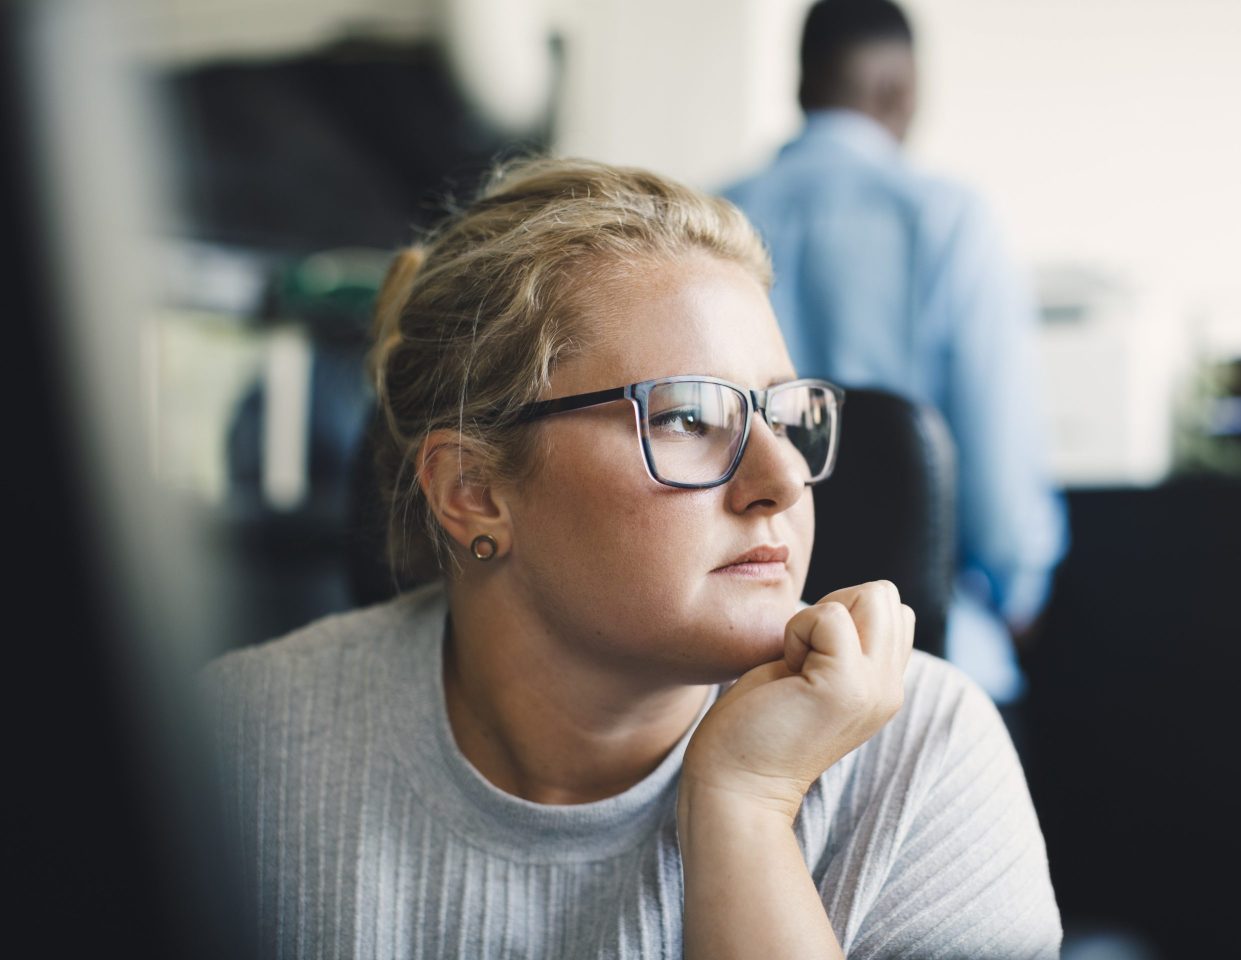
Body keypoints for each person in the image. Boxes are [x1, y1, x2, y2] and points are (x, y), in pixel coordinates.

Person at [200, 157, 1061, 958]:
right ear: (471, 490)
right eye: (687, 416)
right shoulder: (231, 753)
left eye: (785, 417)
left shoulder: (922, 758)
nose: (784, 478)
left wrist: (745, 807)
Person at [724, 0, 1068, 709]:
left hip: (752, 658)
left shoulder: (709, 218)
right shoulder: (948, 218)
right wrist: (1018, 587)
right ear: (900, 92)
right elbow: (996, 450)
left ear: (801, 86)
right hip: (925, 658)